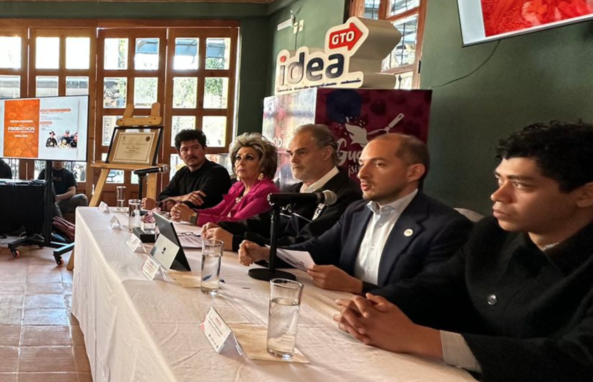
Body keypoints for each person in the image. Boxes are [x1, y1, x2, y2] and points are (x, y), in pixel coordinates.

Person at [334, 122, 593, 382]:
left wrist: (424, 340)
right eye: (499, 179)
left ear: (587, 195)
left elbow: (589, 361)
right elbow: (435, 287)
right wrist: (372, 306)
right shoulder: (491, 234)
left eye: (521, 185)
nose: (498, 195)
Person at [239, 134, 471, 294]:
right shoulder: (357, 211)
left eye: (378, 165)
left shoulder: (447, 227)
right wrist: (268, 252)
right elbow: (316, 249)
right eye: (362, 164)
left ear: (414, 172)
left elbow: (430, 295)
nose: (362, 174)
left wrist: (357, 287)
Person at [204, 124, 361, 251]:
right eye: (291, 153)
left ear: (326, 153)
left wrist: (236, 241)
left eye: (301, 153)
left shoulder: (346, 195)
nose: (293, 160)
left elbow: (305, 246)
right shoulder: (295, 190)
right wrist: (224, 226)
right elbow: (266, 222)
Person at [171, 133, 279, 226]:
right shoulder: (237, 187)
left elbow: (237, 222)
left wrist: (193, 217)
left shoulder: (266, 191)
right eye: (238, 158)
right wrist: (186, 211)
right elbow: (217, 210)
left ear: (263, 165)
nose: (241, 163)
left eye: (249, 158)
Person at [144, 129, 232, 212]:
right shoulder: (182, 172)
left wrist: (158, 205)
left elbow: (194, 206)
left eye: (195, 147)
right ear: (179, 154)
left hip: (209, 221)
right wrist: (183, 198)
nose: (190, 153)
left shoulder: (217, 172)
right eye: (185, 149)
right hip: (181, 221)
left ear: (204, 149)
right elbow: (162, 197)